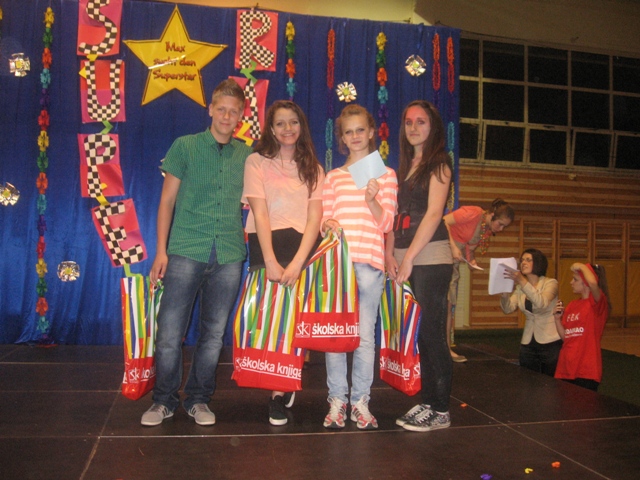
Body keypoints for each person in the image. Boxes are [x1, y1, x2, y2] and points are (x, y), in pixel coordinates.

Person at [141, 80, 252, 427]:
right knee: (169, 333)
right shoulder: (185, 146)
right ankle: (163, 400)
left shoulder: (248, 156)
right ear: (210, 109)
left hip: (229, 255)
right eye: (221, 109)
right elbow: (166, 202)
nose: (226, 116)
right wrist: (161, 251)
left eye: (233, 111)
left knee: (214, 335)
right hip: (186, 249)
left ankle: (199, 399)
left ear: (241, 116)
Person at [242, 100, 324, 425]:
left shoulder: (315, 168)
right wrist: (272, 262)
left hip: (301, 251)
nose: (288, 128)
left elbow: (315, 218)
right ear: (271, 129)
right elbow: (259, 212)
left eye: (293, 122)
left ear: (301, 126)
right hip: (268, 250)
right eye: (280, 123)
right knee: (271, 325)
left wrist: (299, 262)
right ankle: (277, 385)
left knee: (295, 325)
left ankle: (281, 387)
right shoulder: (256, 161)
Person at [322, 104, 398, 430]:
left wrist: (371, 199)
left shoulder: (386, 174)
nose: (354, 136)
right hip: (338, 266)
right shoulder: (333, 177)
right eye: (348, 131)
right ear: (342, 137)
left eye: (360, 130)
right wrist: (327, 224)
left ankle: (360, 401)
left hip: (369, 264)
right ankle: (337, 400)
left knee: (365, 337)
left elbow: (387, 223)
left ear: (371, 133)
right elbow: (325, 220)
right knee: (336, 337)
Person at [385, 100, 453, 432]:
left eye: (421, 121)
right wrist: (390, 255)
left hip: (429, 258)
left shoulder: (439, 163)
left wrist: (409, 257)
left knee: (431, 333)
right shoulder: (403, 167)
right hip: (404, 258)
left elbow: (434, 214)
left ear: (433, 126)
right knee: (418, 335)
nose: (413, 127)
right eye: (409, 122)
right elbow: (392, 216)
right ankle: (428, 401)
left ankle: (440, 410)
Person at [444, 199, 514, 362]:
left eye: (504, 227)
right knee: (443, 303)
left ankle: (446, 348)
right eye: (500, 224)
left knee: (449, 304)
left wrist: (471, 261)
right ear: (492, 215)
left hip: (453, 262)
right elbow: (443, 221)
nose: (501, 229)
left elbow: (469, 246)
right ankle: (441, 348)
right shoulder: (473, 213)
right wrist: (453, 247)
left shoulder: (485, 228)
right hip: (441, 253)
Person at [501, 249, 562, 376]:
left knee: (550, 381)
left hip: (550, 341)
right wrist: (505, 292)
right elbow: (507, 309)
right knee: (528, 379)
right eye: (522, 260)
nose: (523, 263)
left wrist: (522, 281)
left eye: (528, 260)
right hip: (528, 342)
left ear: (538, 263)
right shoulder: (520, 288)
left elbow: (541, 303)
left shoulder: (551, 283)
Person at [553, 263, 611, 391]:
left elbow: (593, 284)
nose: (571, 282)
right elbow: (566, 338)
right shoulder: (572, 305)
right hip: (566, 367)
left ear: (585, 283)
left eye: (575, 279)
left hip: (586, 370)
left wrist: (581, 266)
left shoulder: (596, 304)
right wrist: (557, 320)